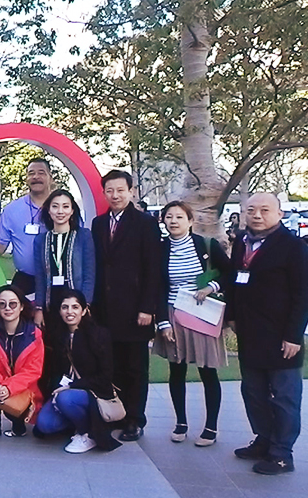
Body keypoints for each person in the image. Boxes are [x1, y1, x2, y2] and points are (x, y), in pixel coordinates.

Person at [227, 193, 308, 475]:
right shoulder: (241, 242)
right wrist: (232, 317)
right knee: (253, 392)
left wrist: (294, 335)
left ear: (280, 214)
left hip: (282, 337)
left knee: (285, 397)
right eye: (251, 210)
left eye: (264, 210)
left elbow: (302, 294)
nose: (257, 215)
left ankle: (282, 453)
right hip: (250, 335)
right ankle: (263, 440)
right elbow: (234, 281)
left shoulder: (293, 246)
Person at [91, 170, 163, 442]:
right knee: (112, 366)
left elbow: (152, 268)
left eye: (120, 190)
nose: (115, 195)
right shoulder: (99, 224)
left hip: (135, 311)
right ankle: (116, 415)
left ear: (131, 191)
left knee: (135, 368)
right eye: (110, 190)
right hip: (105, 310)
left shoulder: (145, 223)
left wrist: (148, 307)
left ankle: (135, 419)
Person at [151, 201, 229, 447]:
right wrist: (163, 322)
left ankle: (210, 427)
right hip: (174, 313)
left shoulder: (206, 245)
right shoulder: (160, 249)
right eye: (169, 217)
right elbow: (158, 287)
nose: (173, 221)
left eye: (179, 217)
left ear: (190, 221)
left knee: (207, 371)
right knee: (177, 370)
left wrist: (211, 287)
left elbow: (230, 273)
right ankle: (181, 422)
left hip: (201, 312)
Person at [33, 290, 121, 453]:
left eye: (75, 307)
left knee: (66, 399)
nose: (70, 312)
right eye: (65, 307)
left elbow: (105, 376)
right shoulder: (58, 336)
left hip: (93, 392)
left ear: (84, 310)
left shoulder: (99, 335)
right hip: (66, 390)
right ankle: (75, 422)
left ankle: (88, 433)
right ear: (59, 311)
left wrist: (71, 386)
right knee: (45, 425)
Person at [32, 189, 95, 401]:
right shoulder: (42, 240)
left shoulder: (83, 235)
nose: (60, 211)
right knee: (52, 352)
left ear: (72, 210)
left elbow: (89, 272)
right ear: (48, 211)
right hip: (52, 305)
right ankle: (50, 400)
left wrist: (85, 305)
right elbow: (40, 276)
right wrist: (39, 308)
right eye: (55, 206)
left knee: (76, 351)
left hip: (75, 306)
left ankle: (77, 399)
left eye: (65, 206)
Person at [0, 285, 44, 441]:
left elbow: (33, 371)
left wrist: (9, 388)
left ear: (21, 306)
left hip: (23, 388)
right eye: (2, 304)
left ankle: (18, 423)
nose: (8, 308)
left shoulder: (34, 335)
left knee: (18, 407)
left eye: (13, 304)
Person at [0, 158, 55, 295]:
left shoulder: (63, 206)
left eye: (41, 173)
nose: (36, 177)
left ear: (50, 177)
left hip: (56, 279)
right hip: (25, 280)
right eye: (31, 173)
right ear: (26, 178)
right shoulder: (12, 210)